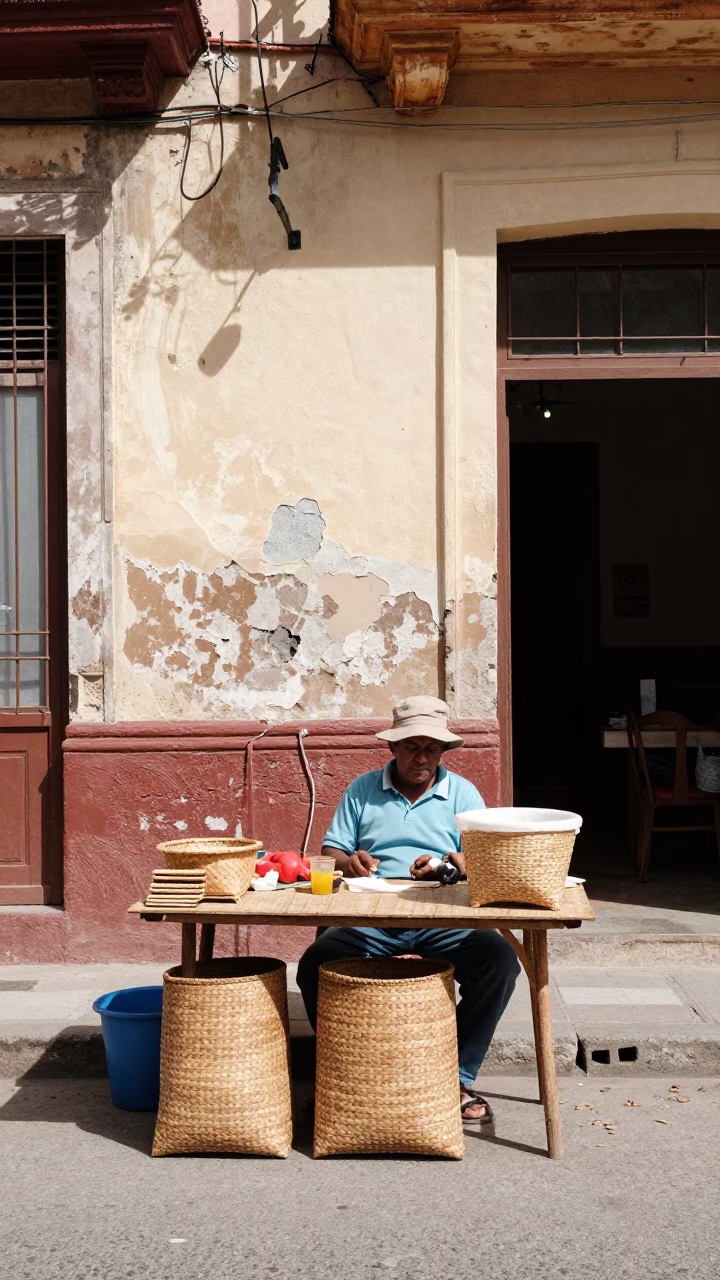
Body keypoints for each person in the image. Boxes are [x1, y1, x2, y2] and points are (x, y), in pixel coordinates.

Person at [296, 695, 520, 1124]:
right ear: (393, 748)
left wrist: (451, 863)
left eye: (432, 748)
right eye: (412, 747)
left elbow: (483, 860)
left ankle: (454, 1076)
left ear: (443, 752)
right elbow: (331, 852)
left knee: (500, 961)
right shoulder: (363, 788)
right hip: (373, 916)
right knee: (316, 962)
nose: (422, 757)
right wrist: (352, 861)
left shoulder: (462, 793)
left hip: (443, 916)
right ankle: (346, 1071)